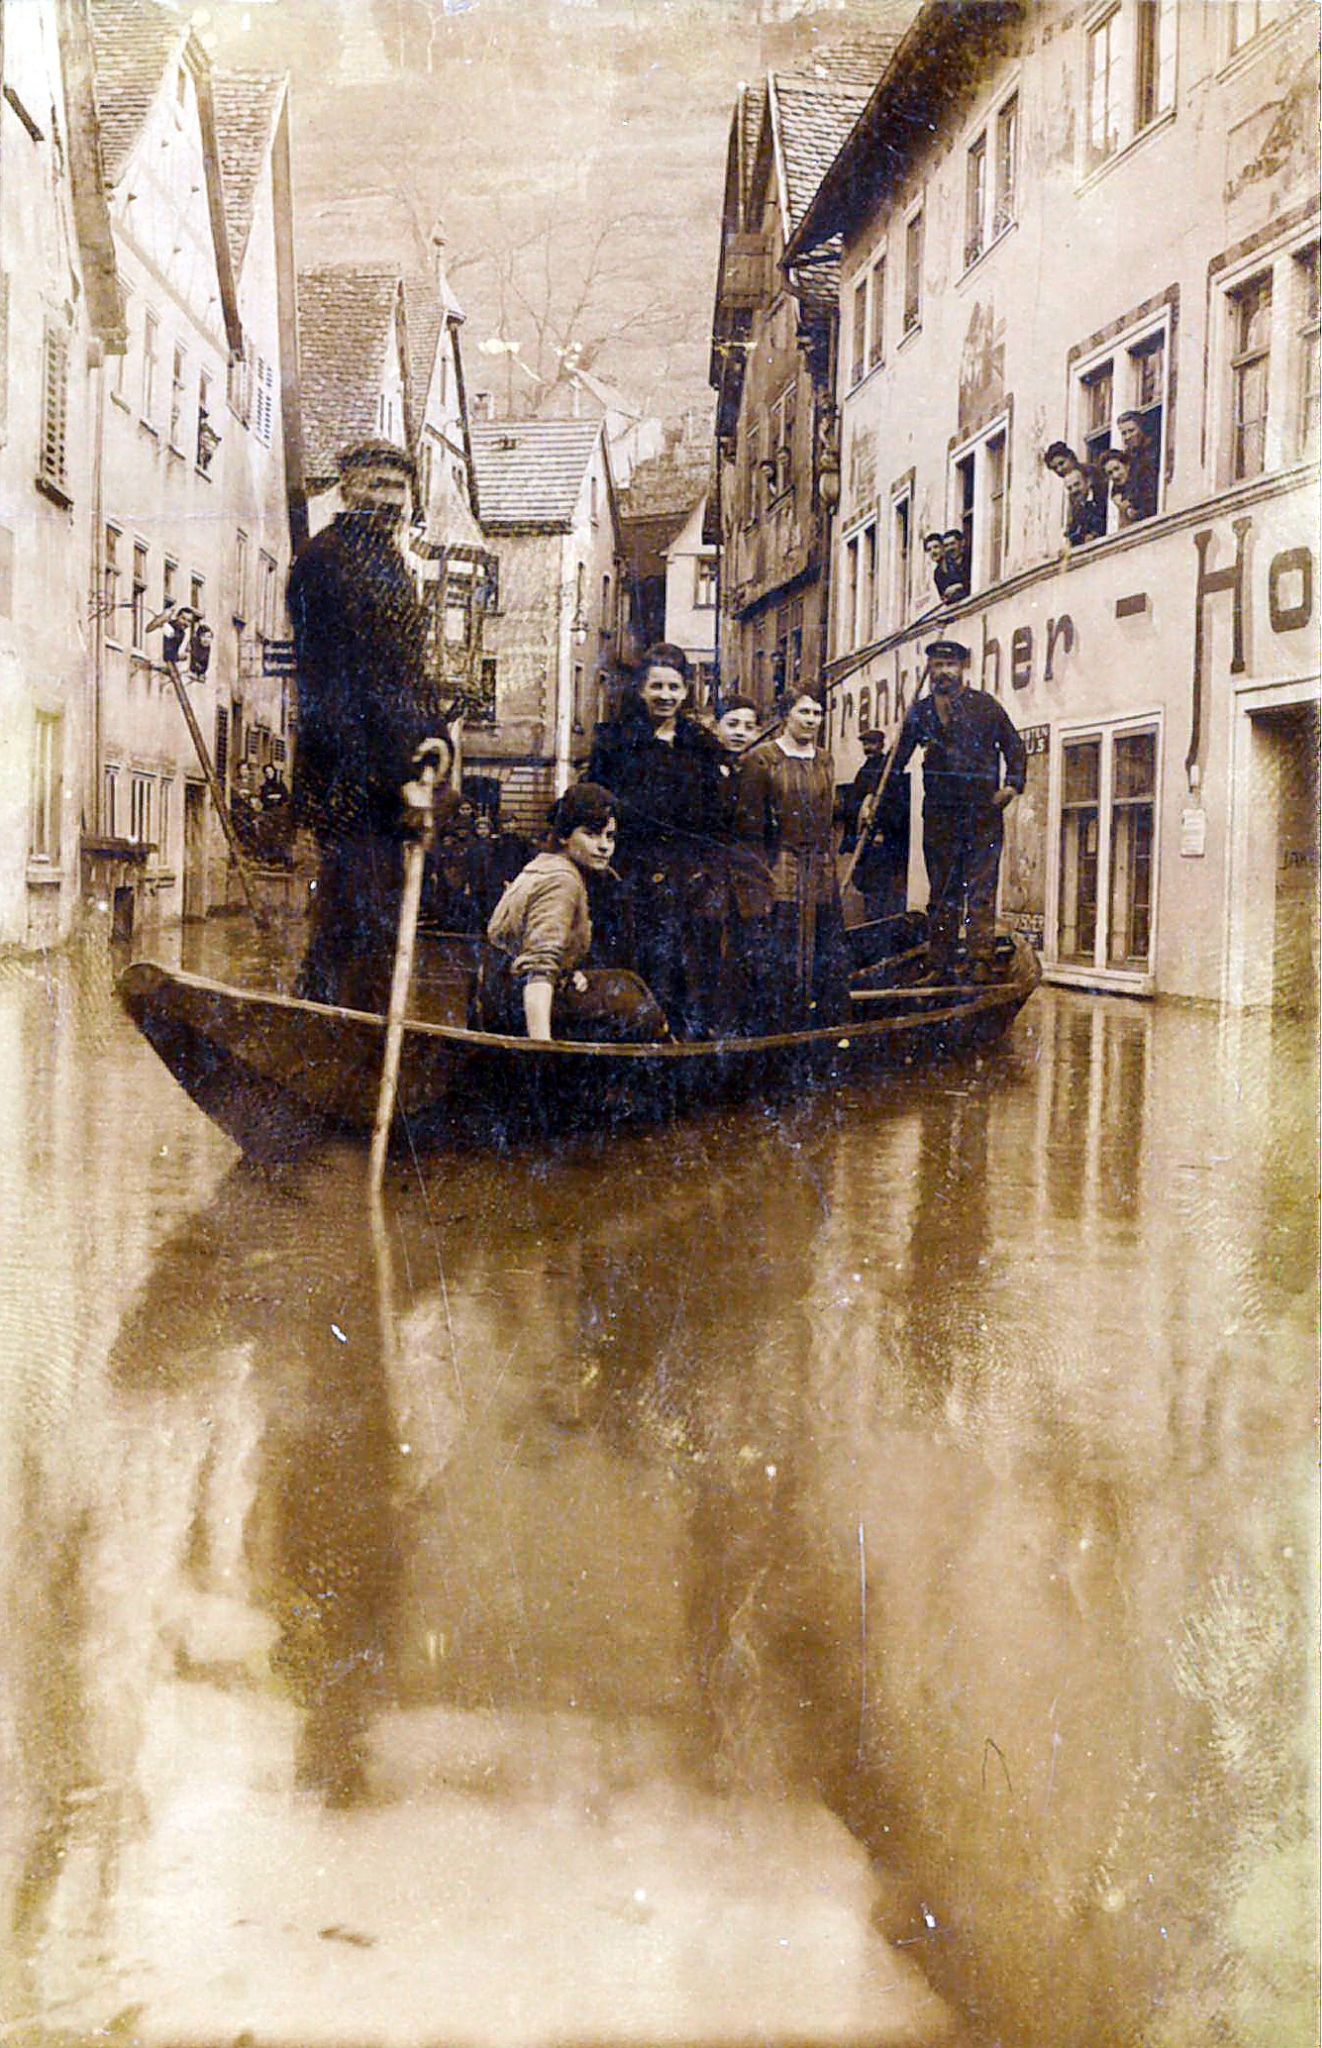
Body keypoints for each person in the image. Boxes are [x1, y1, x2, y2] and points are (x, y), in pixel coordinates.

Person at [287, 439, 449, 1011]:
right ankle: (328, 1036)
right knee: (349, 922)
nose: (389, 501)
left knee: (378, 927)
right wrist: (395, 772)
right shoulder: (324, 562)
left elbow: (407, 671)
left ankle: (368, 1040)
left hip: (390, 770)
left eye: (398, 489)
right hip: (346, 771)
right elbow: (339, 687)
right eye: (376, 486)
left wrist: (435, 738)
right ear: (347, 488)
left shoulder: (394, 568)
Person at [586, 643, 729, 1037]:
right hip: (631, 871)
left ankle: (683, 1043)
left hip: (689, 877)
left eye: (674, 687)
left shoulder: (701, 746)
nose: (665, 696)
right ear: (641, 690)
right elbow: (595, 802)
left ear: (685, 692)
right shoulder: (616, 743)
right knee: (638, 956)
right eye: (657, 687)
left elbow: (718, 817)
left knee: (689, 963)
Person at [888, 638, 1027, 984]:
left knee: (980, 891)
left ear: (963, 668)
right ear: (930, 671)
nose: (943, 673)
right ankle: (940, 965)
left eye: (949, 666)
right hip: (940, 816)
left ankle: (980, 961)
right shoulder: (920, 713)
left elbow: (1015, 748)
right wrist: (873, 796)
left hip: (982, 815)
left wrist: (1010, 788)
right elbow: (897, 759)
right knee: (943, 892)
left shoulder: (984, 707)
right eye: (936, 666)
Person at [484, 783, 666, 1043]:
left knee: (626, 981)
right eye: (592, 834)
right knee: (634, 1003)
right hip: (517, 1003)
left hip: (500, 992)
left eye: (610, 837)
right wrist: (542, 1052)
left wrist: (568, 973)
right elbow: (538, 968)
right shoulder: (562, 880)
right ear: (564, 836)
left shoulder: (544, 864)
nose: (604, 846)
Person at [736, 689, 848, 1029]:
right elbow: (750, 824)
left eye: (816, 713)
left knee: (824, 944)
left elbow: (831, 814)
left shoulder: (825, 760)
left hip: (819, 866)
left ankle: (820, 1021)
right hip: (779, 863)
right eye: (804, 712)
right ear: (786, 714)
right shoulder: (761, 759)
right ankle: (781, 1022)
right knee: (781, 942)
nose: (811, 720)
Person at [839, 727, 910, 924]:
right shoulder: (865, 770)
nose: (868, 747)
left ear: (881, 745)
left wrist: (881, 830)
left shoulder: (885, 769)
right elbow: (856, 801)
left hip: (880, 840)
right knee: (866, 883)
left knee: (880, 887)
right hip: (865, 839)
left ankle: (879, 923)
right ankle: (870, 921)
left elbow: (890, 802)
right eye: (865, 744)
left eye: (872, 743)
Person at [1042, 441, 1105, 546]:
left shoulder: (1093, 474)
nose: (1059, 470)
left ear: (1071, 457)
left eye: (1061, 463)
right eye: (1055, 468)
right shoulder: (1073, 491)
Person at [1116, 411, 1157, 520]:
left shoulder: (1153, 453)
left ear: (1142, 429)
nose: (1127, 437)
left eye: (1131, 431)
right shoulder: (1130, 460)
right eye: (1123, 433)